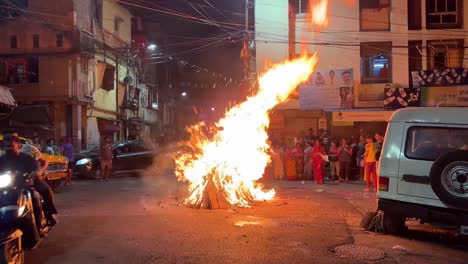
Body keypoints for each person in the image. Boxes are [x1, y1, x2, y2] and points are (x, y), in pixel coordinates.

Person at [0, 130, 58, 226]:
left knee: (44, 189)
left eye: (11, 145)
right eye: (6, 146)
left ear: (17, 143)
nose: (8, 148)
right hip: (8, 185)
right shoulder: (2, 159)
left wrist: (36, 173)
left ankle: (50, 214)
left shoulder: (27, 156)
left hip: (27, 183)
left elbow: (38, 166)